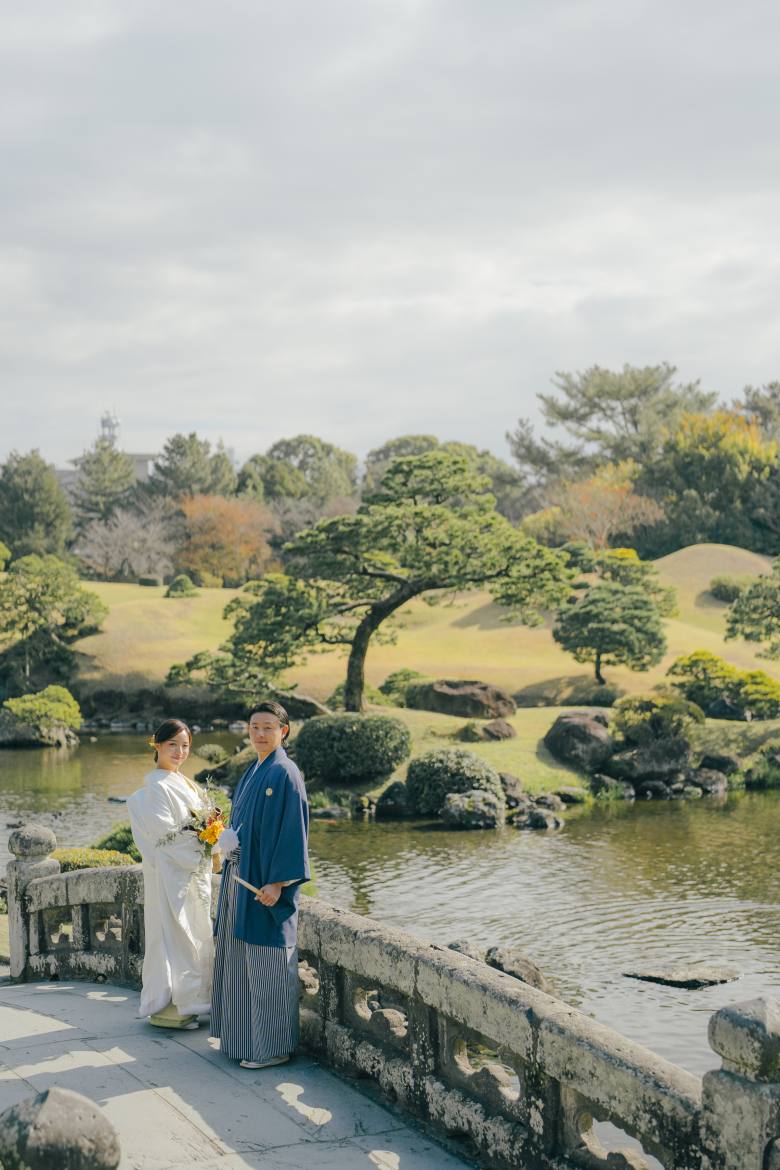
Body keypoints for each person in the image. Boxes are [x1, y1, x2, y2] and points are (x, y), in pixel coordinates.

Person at [211, 700, 310, 1069]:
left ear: (284, 730)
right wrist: (227, 838)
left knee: (267, 963)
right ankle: (242, 1041)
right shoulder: (254, 770)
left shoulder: (286, 772)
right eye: (254, 727)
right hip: (241, 879)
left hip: (264, 887)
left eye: (269, 727)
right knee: (241, 961)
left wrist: (278, 883)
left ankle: (273, 1048)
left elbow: (292, 834)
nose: (260, 734)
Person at [126, 718, 213, 1028]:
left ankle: (195, 1000)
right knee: (172, 936)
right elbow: (165, 838)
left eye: (185, 746)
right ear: (157, 745)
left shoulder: (186, 783)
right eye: (173, 744)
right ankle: (170, 1006)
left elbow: (195, 828)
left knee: (196, 934)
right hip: (169, 874)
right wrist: (203, 839)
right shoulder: (154, 789)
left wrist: (211, 835)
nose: (179, 752)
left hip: (192, 872)